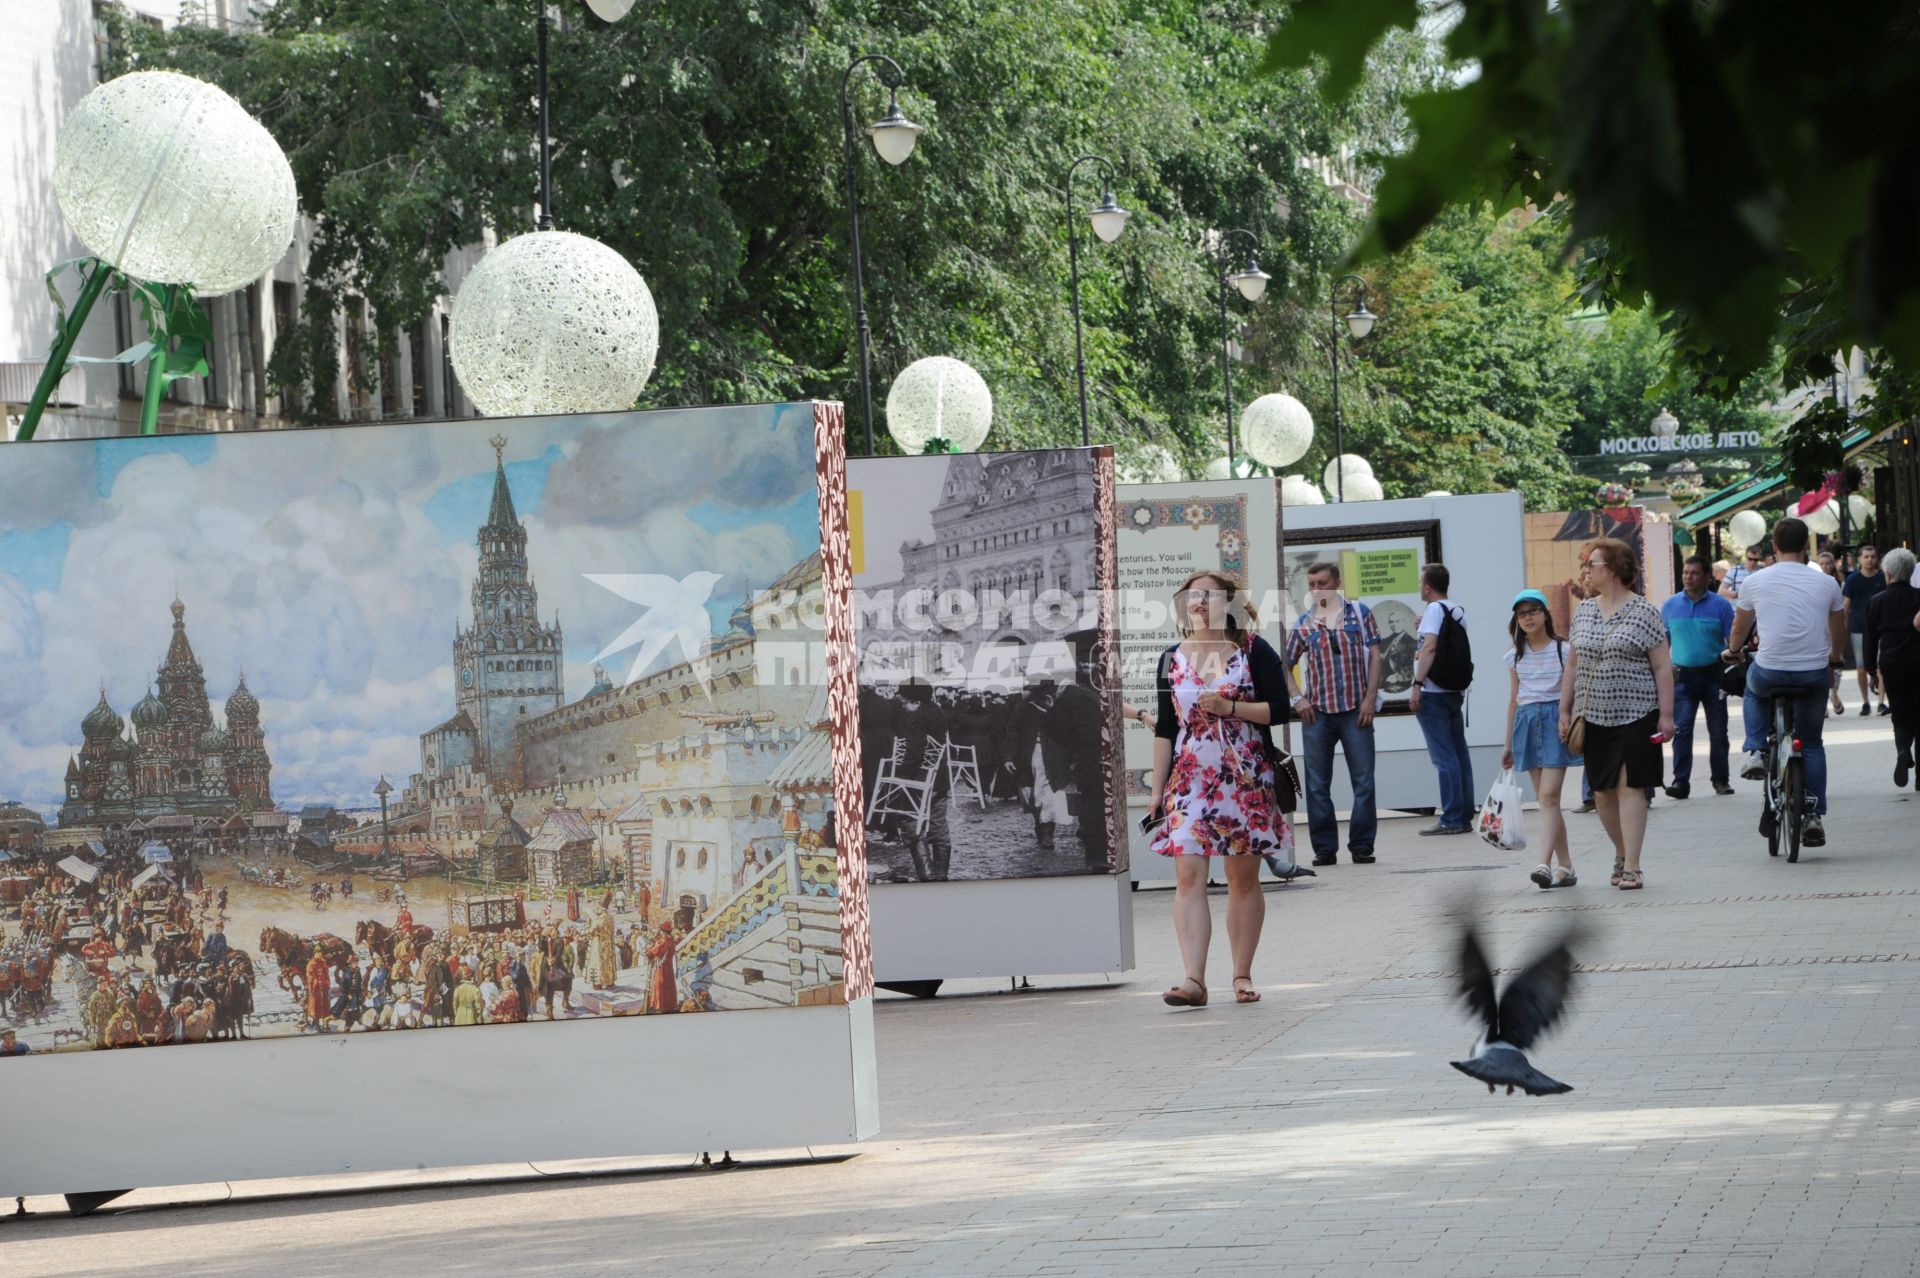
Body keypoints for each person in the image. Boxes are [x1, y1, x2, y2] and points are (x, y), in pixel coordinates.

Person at [1148, 569, 1294, 1008]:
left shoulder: (1253, 650)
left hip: (1244, 779)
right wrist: (1157, 792)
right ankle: (1193, 979)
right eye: (1192, 595)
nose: (1198, 602)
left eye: (1208, 596)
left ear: (1228, 603)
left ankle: (1241, 974)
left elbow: (1281, 710)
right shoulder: (1171, 657)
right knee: (1189, 876)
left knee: (1241, 879)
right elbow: (1165, 729)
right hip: (1189, 779)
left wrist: (1231, 707)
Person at [1559, 539, 1674, 891]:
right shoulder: (1586, 611)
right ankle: (1622, 852)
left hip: (1638, 712)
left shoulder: (1644, 612)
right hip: (1593, 715)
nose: (1587, 570)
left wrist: (1666, 715)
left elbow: (1662, 668)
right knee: (1602, 793)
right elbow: (1574, 664)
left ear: (1613, 569)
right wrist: (1564, 709)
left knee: (1630, 787)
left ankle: (1634, 866)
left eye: (1593, 564)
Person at [1725, 517, 1846, 846]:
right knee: (1811, 743)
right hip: (1812, 673)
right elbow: (1838, 630)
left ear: (1774, 546)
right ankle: (1813, 815)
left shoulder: (1755, 581)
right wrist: (1835, 657)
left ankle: (1756, 750)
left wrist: (1733, 651)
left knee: (1752, 685)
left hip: (1771, 671)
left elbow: (1739, 629)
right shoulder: (1827, 583)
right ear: (1807, 545)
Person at [1285, 561, 1380, 865]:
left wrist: (1370, 698)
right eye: (1312, 584)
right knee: (1316, 784)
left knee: (1364, 781)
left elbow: (1376, 657)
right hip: (1318, 714)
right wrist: (1298, 699)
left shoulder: (1360, 614)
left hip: (1356, 709)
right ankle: (1324, 849)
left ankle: (1362, 846)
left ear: (1337, 583)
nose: (1316, 590)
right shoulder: (1304, 622)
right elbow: (1284, 666)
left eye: (1322, 583)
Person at [1502, 590, 1581, 888]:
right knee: (1548, 801)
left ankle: (1543, 864)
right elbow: (1513, 700)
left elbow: (1573, 691)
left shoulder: (1564, 649)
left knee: (1548, 797)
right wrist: (1507, 743)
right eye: (1522, 614)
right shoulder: (1514, 656)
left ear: (1546, 613)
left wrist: (1568, 717)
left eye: (1534, 611)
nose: (1528, 618)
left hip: (1554, 721)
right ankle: (1567, 866)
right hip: (1526, 721)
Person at [1661, 555, 1737, 799]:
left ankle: (1721, 780)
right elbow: (1662, 644)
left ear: (1706, 577)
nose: (1688, 577)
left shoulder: (1720, 606)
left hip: (1714, 675)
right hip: (1683, 677)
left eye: (1694, 573)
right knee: (1682, 730)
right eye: (1685, 573)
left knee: (1718, 731)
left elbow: (1732, 643)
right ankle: (1680, 782)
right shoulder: (1671, 606)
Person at [1410, 564, 1475, 835]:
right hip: (1453, 693)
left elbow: (1431, 647)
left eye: (1420, 583)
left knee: (1443, 758)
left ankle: (1450, 818)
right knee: (1459, 755)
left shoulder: (1434, 610)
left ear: (1427, 587)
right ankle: (1463, 815)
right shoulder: (1455, 610)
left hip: (1434, 693)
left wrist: (1417, 684)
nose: (1419, 587)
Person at [1862, 548, 1920, 789]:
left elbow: (1870, 640)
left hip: (1892, 664)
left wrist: (1871, 671)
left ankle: (1903, 749)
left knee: (1900, 713)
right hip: (1918, 661)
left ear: (1887, 573)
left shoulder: (1875, 602)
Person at [895, 680, 955, 880]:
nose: (903, 705)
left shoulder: (916, 718)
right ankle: (941, 875)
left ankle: (927, 876)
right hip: (940, 779)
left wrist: (901, 776)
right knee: (938, 823)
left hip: (919, 780)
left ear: (916, 700)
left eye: (905, 700)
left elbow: (914, 752)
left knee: (912, 823)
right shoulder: (939, 713)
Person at [1843, 545, 1890, 716]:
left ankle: (1881, 702)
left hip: (1881, 627)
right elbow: (1846, 606)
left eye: (1872, 556)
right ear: (1860, 559)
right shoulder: (1853, 579)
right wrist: (1843, 628)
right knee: (1861, 667)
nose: (1869, 560)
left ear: (1877, 559)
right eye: (1866, 557)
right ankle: (1865, 702)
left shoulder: (1883, 578)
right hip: (1859, 628)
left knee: (1881, 665)